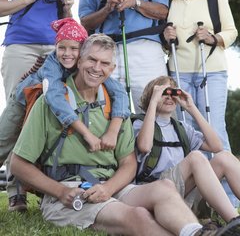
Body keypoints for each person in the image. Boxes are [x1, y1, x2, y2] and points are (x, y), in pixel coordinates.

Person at [10, 34, 240, 235]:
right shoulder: (50, 102)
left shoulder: (116, 108)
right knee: (138, 216)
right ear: (79, 61)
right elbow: (19, 165)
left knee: (165, 188)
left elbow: (128, 163)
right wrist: (60, 191)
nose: (96, 68)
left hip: (113, 187)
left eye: (105, 63)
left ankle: (199, 233)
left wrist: (109, 189)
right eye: (91, 59)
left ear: (112, 69)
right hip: (71, 189)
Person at [0, 18, 130, 211]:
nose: (67, 54)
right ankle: (16, 192)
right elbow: (55, 98)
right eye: (62, 47)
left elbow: (119, 92)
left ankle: (17, 194)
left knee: (24, 146)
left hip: (44, 104)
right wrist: (86, 133)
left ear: (82, 52)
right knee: (4, 142)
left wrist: (113, 129)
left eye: (74, 49)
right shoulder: (52, 63)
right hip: (22, 100)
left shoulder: (92, 67)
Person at [0, 0, 74, 211]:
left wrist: (69, 6)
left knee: (45, 116)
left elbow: (66, 21)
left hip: (54, 50)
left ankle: (40, 183)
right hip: (21, 47)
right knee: (18, 112)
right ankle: (15, 188)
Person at [163, 0, 238, 206]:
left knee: (215, 131)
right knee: (188, 134)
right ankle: (198, 200)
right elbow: (167, 40)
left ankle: (231, 201)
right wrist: (165, 35)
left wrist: (212, 36)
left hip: (212, 72)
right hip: (179, 73)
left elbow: (231, 32)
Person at [133, 75, 240, 224]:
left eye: (173, 93)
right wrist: (153, 102)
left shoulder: (181, 127)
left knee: (225, 158)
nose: (169, 97)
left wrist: (191, 107)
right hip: (155, 190)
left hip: (183, 191)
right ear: (152, 96)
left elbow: (217, 147)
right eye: (164, 92)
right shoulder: (139, 123)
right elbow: (144, 146)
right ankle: (235, 222)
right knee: (195, 157)